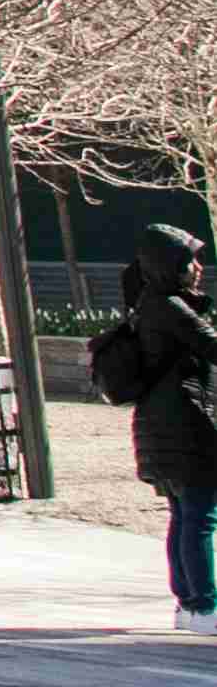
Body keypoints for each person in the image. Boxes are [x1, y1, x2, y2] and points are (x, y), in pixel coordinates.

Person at [121, 222, 216, 632]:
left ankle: (188, 605)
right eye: (190, 258)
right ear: (170, 263)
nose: (198, 266)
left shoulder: (150, 303)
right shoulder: (169, 307)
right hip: (184, 426)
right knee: (200, 516)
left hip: (164, 426)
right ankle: (205, 607)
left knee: (184, 515)